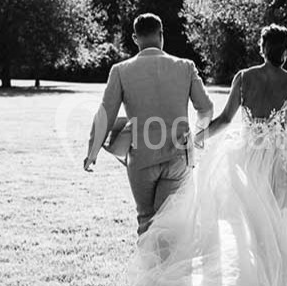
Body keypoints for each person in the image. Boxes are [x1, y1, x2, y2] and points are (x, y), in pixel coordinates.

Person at [130, 23, 287, 286]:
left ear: (261, 46)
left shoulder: (243, 77)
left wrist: (199, 137)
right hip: (276, 163)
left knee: (245, 230)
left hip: (244, 159)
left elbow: (224, 120)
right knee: (273, 227)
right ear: (286, 51)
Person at [84, 13, 214, 236]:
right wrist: (199, 138)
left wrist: (92, 152)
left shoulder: (121, 70)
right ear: (161, 35)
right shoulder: (185, 66)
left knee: (146, 220)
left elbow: (105, 114)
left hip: (141, 158)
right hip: (177, 157)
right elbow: (206, 107)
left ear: (135, 38)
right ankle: (169, 270)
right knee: (171, 223)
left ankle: (149, 269)